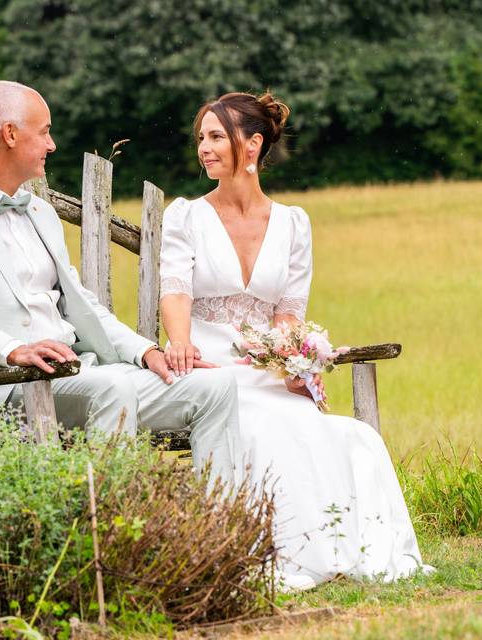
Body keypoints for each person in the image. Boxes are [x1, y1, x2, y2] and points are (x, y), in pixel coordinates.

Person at [159, 91, 431, 589]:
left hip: (266, 371)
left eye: (216, 136)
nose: (204, 147)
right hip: (208, 369)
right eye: (201, 137)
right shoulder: (185, 216)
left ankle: (347, 549)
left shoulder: (292, 224)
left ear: (253, 143)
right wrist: (180, 345)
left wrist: (291, 363)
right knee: (265, 428)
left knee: (351, 435)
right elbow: (175, 293)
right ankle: (273, 553)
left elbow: (288, 314)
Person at [0, 80, 241, 485]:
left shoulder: (40, 212)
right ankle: (108, 535)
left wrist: (145, 352)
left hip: (82, 373)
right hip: (0, 388)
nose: (53, 145)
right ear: (10, 134)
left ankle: (220, 532)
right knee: (111, 389)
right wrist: (12, 350)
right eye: (45, 131)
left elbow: (79, 303)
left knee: (216, 386)